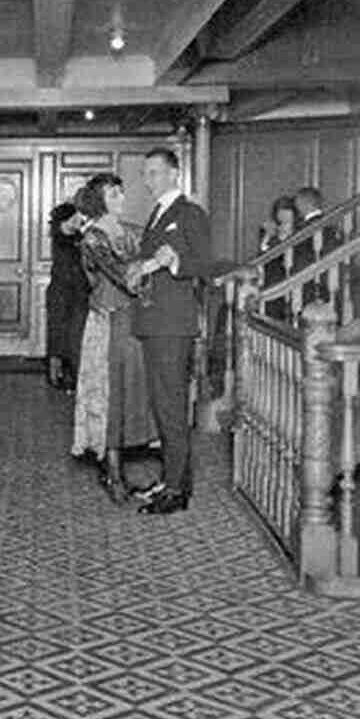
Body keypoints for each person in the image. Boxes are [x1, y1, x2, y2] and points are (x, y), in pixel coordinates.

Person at [129, 148, 211, 515]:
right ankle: (173, 478)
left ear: (176, 174)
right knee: (163, 404)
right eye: (146, 174)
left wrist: (174, 261)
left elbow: (203, 264)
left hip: (172, 324)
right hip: (155, 321)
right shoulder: (158, 212)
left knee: (171, 405)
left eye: (157, 172)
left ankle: (176, 490)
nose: (150, 180)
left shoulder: (189, 212)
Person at [71, 174, 156, 504]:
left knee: (131, 393)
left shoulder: (131, 229)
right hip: (108, 322)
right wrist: (154, 263)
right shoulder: (93, 237)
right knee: (109, 396)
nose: (121, 197)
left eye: (121, 191)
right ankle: (113, 471)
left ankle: (122, 463)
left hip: (133, 321)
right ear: (98, 200)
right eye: (113, 193)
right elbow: (124, 278)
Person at [46, 202, 90, 392]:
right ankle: (58, 375)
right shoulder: (66, 242)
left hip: (71, 295)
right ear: (67, 220)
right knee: (61, 337)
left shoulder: (75, 238)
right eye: (75, 218)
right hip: (64, 295)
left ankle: (67, 375)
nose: (79, 220)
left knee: (71, 338)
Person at [292, 186, 342, 310]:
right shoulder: (329, 226)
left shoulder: (305, 229)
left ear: (304, 203)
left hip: (310, 287)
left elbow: (301, 260)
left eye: (297, 202)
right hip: (328, 284)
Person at [259, 194, 298, 320]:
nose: (284, 221)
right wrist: (268, 237)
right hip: (271, 280)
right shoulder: (270, 231)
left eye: (287, 216)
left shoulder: (301, 231)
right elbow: (261, 256)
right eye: (281, 218)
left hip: (293, 280)